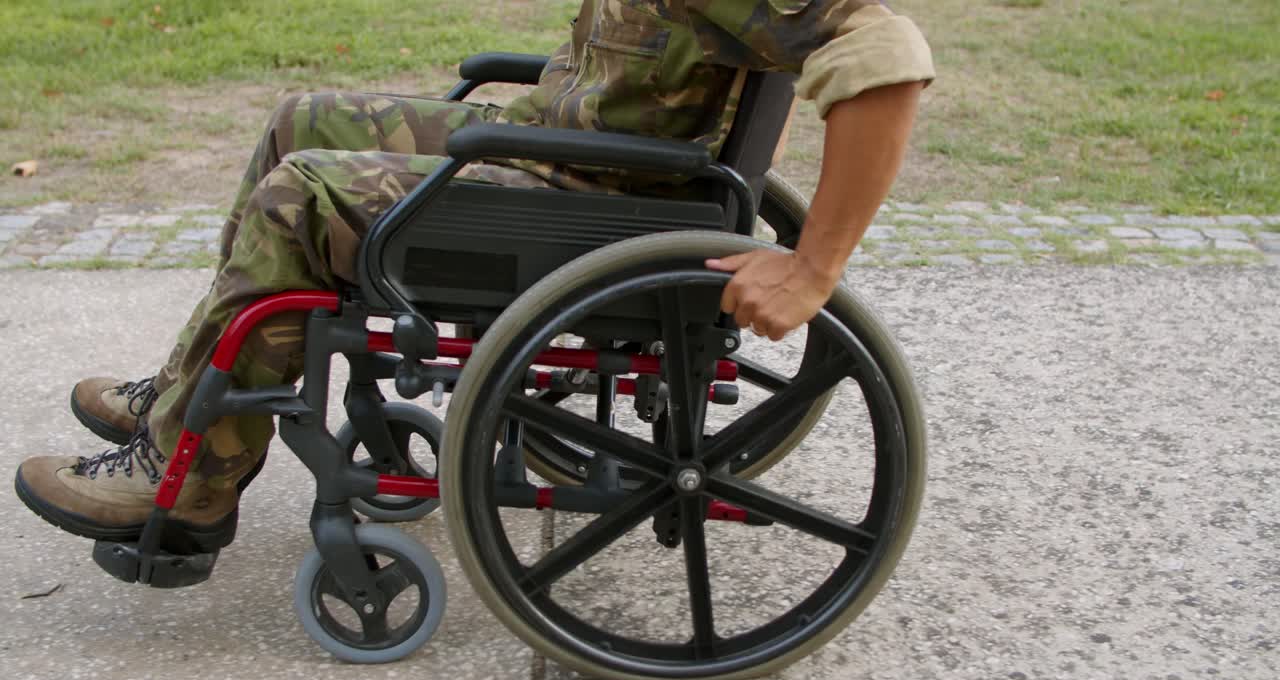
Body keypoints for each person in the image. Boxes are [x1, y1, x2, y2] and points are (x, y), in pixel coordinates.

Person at [15, 0, 934, 550]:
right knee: (304, 121)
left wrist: (814, 267)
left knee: (301, 198)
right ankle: (187, 394)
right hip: (566, 161)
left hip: (581, 206)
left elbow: (886, 56)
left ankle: (193, 487)